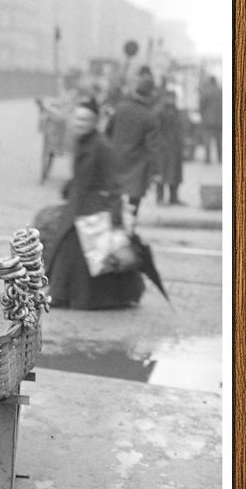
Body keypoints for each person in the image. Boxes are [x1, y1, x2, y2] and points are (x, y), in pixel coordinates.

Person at [45, 105, 144, 310]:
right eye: (77, 119)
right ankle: (63, 294)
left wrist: (115, 215)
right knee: (71, 249)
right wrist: (70, 186)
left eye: (85, 120)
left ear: (94, 122)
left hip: (93, 208)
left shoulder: (102, 147)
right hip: (78, 204)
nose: (79, 124)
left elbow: (113, 183)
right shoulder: (83, 142)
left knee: (83, 250)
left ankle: (69, 295)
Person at [107, 66, 162, 221]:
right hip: (137, 167)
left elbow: (107, 133)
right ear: (151, 94)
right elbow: (154, 148)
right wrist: (157, 172)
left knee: (113, 201)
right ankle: (129, 229)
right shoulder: (150, 116)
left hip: (115, 162)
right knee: (133, 205)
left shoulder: (120, 108)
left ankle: (114, 227)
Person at [153, 84, 186, 206]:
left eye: (173, 98)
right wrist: (160, 143)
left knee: (175, 174)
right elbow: (156, 129)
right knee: (161, 172)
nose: (172, 100)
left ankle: (174, 197)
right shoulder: (159, 111)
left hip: (175, 147)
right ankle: (160, 197)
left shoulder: (176, 110)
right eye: (170, 97)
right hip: (163, 147)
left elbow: (180, 127)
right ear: (164, 98)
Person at [199, 72, 222, 164]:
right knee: (219, 140)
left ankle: (208, 159)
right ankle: (220, 158)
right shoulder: (221, 91)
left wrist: (202, 115)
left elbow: (201, 105)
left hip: (208, 120)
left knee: (207, 139)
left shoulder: (206, 92)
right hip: (220, 120)